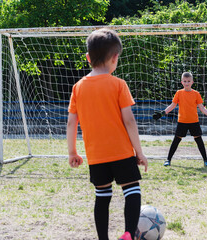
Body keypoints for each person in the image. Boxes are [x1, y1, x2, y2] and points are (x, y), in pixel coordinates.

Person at [66, 28, 148, 240]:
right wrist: (139, 152)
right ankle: (129, 233)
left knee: (102, 196)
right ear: (115, 58)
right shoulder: (119, 84)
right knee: (132, 191)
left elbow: (71, 123)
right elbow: (129, 121)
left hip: (96, 156)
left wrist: (72, 152)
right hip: (121, 152)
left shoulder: (77, 88)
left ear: (87, 57)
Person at [153, 72, 207, 167]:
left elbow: (202, 108)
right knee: (176, 140)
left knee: (199, 140)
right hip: (182, 121)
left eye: (188, 81)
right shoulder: (179, 93)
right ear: (182, 82)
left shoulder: (196, 94)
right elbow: (172, 105)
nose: (187, 83)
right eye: (185, 81)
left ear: (192, 82)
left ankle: (206, 160)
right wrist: (163, 113)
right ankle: (168, 159)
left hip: (194, 121)